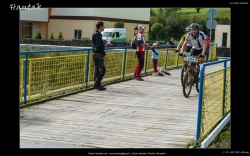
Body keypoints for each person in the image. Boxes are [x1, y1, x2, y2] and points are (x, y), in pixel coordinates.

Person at [92, 21, 108, 90]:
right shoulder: (97, 34)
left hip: (96, 54)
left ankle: (97, 83)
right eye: (103, 26)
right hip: (98, 55)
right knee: (102, 70)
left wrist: (104, 46)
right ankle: (97, 83)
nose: (104, 27)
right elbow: (99, 46)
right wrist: (104, 54)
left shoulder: (96, 34)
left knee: (98, 70)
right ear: (100, 26)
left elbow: (99, 45)